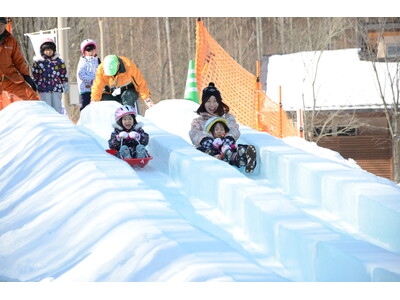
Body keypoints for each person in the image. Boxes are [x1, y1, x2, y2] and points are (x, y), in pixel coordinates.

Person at [189, 82, 257, 173]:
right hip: (209, 149)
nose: (212, 105)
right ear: (203, 103)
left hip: (226, 146)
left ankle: (242, 157)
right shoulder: (199, 121)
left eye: (215, 101)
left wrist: (229, 137)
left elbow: (234, 128)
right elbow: (194, 133)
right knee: (201, 150)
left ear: (219, 102)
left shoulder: (227, 117)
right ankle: (220, 157)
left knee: (233, 150)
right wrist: (204, 140)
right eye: (208, 101)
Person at [0, 17, 40, 106]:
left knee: (32, 97)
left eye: (2, 25)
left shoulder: (11, 40)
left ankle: (38, 118)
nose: (0, 27)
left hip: (10, 78)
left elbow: (18, 60)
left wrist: (26, 76)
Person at [31, 38, 69, 113]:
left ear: (54, 50)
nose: (48, 52)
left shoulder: (59, 62)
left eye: (50, 50)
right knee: (46, 108)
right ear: (42, 51)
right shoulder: (38, 62)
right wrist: (34, 85)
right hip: (43, 88)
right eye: (46, 50)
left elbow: (63, 73)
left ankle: (58, 122)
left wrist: (65, 83)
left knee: (57, 107)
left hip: (56, 88)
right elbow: (35, 75)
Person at [76, 39, 100, 111]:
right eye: (88, 51)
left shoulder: (97, 60)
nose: (91, 53)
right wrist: (91, 79)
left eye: (92, 50)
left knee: (96, 106)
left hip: (96, 88)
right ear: (84, 52)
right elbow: (80, 74)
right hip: (85, 88)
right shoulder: (83, 61)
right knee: (85, 105)